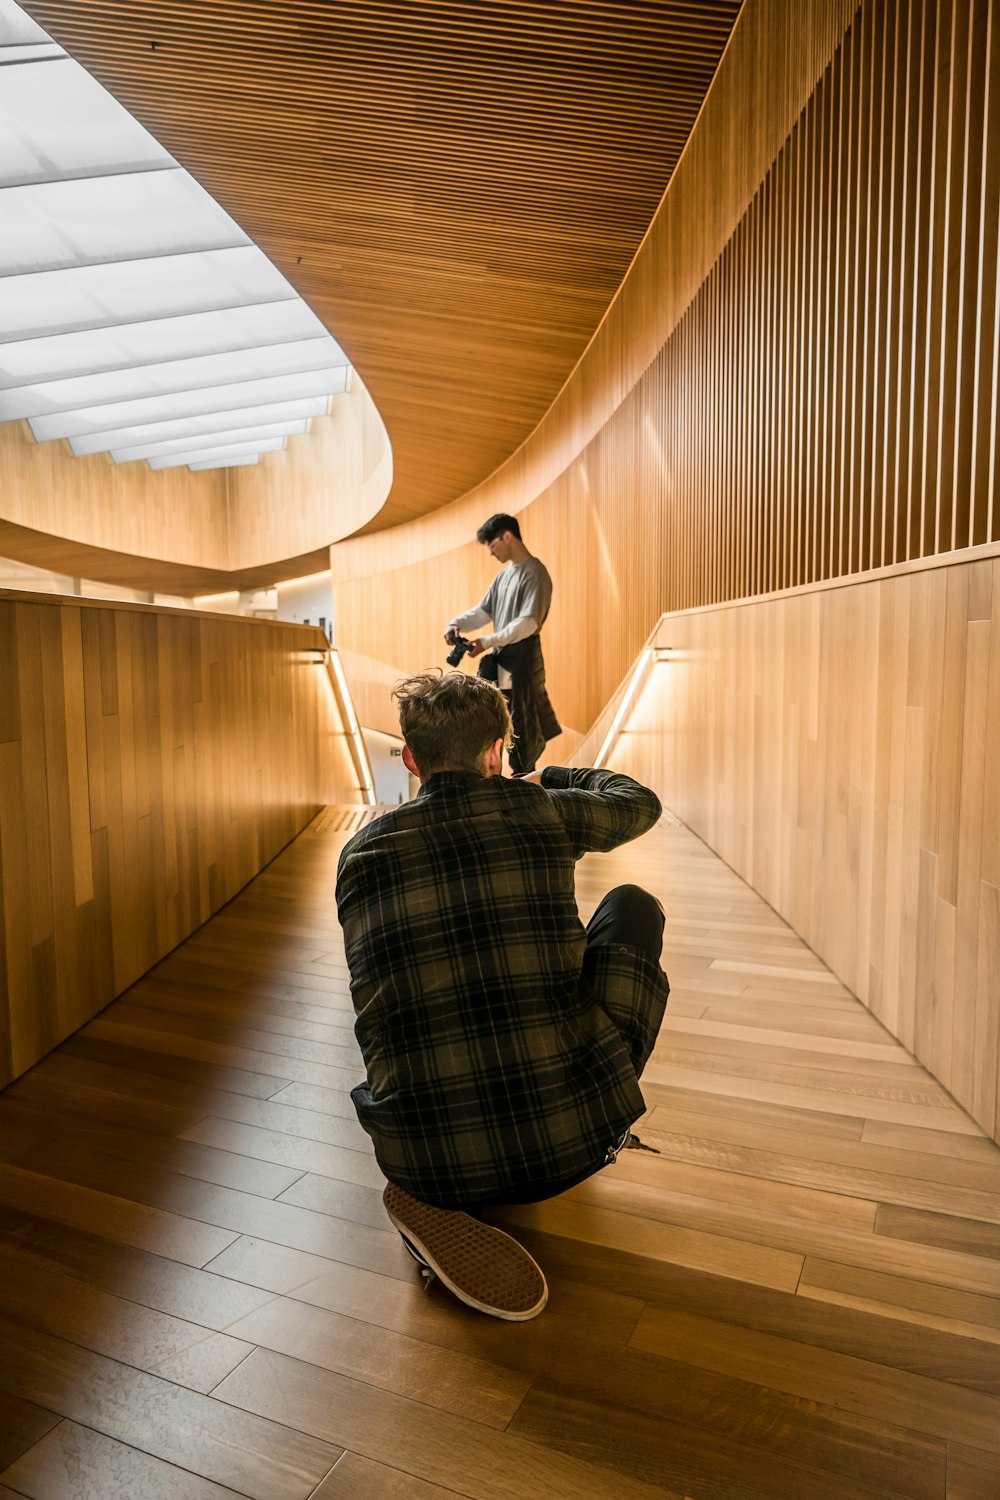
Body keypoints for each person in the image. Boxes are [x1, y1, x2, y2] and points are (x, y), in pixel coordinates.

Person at [336, 670, 669, 1321]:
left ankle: (433, 1182)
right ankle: (572, 1108)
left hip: (424, 1158)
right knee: (632, 905)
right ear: (498, 751)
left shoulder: (359, 853)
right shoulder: (538, 809)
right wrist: (550, 779)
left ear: (410, 759)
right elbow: (639, 802)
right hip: (574, 1142)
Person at [445, 512, 560, 773]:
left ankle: (524, 795)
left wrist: (487, 641)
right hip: (501, 665)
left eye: (492, 545)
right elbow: (484, 611)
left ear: (507, 536)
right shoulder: (502, 577)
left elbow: (528, 623)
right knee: (495, 730)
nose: (490, 552)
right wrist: (457, 623)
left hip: (522, 665)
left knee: (523, 738)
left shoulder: (535, 573)